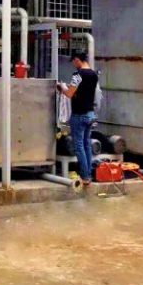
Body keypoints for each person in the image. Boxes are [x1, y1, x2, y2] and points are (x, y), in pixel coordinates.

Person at [57, 51, 99, 186]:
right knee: (87, 145)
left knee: (79, 146)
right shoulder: (94, 74)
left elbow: (70, 93)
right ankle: (89, 175)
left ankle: (85, 176)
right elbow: (84, 92)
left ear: (77, 60)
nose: (74, 65)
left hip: (79, 115)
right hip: (90, 114)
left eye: (74, 62)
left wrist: (62, 87)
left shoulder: (78, 75)